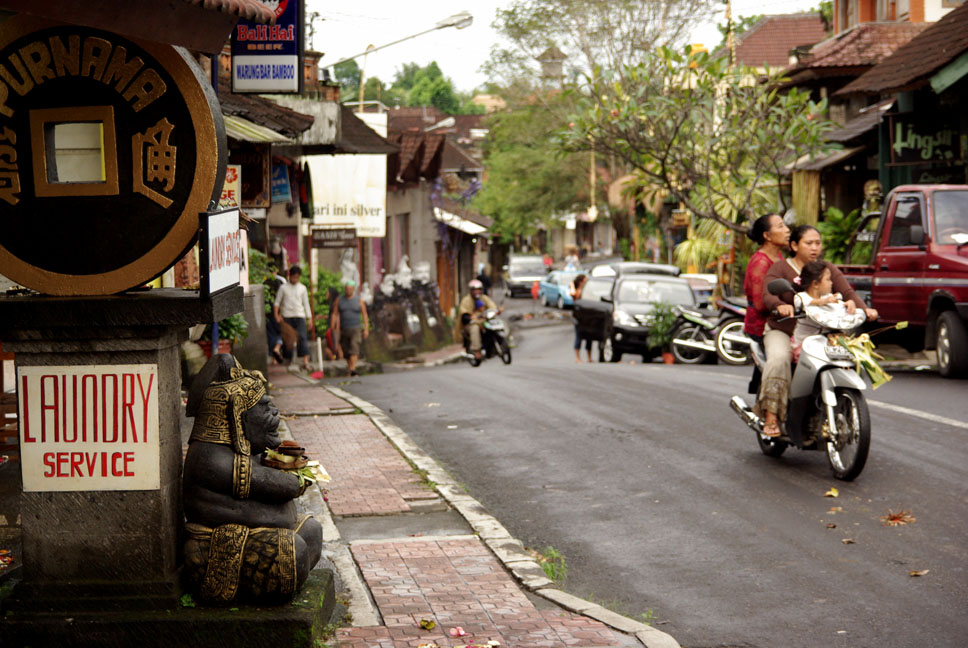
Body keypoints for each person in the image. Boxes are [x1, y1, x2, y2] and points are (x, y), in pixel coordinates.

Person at [759, 224, 878, 437]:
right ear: (794, 245)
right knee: (779, 359)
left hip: (820, 333)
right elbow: (768, 294)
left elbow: (847, 292)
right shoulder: (780, 268)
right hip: (785, 330)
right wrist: (779, 306)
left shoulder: (827, 268)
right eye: (809, 243)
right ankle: (771, 416)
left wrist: (865, 309)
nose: (815, 248)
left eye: (818, 243)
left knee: (850, 354)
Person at [742, 213, 789, 438]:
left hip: (785, 321)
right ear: (767, 236)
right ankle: (771, 415)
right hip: (764, 325)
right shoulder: (761, 262)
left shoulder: (779, 256)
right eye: (781, 226)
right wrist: (785, 305)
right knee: (781, 360)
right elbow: (761, 303)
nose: (787, 229)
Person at [791, 261, 848, 357]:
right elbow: (808, 302)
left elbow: (839, 302)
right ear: (816, 284)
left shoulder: (828, 296)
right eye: (828, 280)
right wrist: (825, 301)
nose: (831, 283)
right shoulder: (800, 297)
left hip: (825, 343)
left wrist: (848, 304)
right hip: (805, 344)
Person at [272, 265, 313, 372]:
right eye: (294, 277)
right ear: (290, 276)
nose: (295, 279)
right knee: (288, 340)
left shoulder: (302, 288)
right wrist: (276, 315)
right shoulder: (283, 288)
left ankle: (305, 362)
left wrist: (310, 318)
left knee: (302, 337)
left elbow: (306, 304)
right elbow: (277, 302)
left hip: (300, 315)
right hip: (287, 316)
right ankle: (288, 360)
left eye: (297, 277)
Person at [331, 281, 369, 377]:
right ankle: (350, 368)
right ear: (345, 289)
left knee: (354, 347)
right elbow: (334, 313)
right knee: (346, 351)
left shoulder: (359, 300)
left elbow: (364, 315)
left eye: (350, 288)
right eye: (347, 288)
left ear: (353, 289)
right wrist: (332, 327)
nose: (348, 290)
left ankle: (352, 369)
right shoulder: (339, 300)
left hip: (356, 328)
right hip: (344, 328)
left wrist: (366, 329)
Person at [458, 279, 500, 361]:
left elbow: (492, 306)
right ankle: (477, 351)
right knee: (475, 328)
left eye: (478, 290)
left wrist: (496, 310)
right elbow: (463, 313)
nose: (477, 292)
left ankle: (496, 344)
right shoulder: (466, 300)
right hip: (471, 324)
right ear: (471, 291)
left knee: (494, 323)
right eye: (475, 290)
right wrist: (470, 317)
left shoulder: (484, 298)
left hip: (483, 321)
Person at [569, 274, 592, 362]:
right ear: (580, 282)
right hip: (579, 317)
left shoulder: (587, 291)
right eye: (585, 281)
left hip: (588, 317)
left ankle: (589, 357)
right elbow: (573, 294)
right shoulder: (577, 291)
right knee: (579, 336)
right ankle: (577, 357)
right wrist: (572, 285)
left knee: (589, 337)